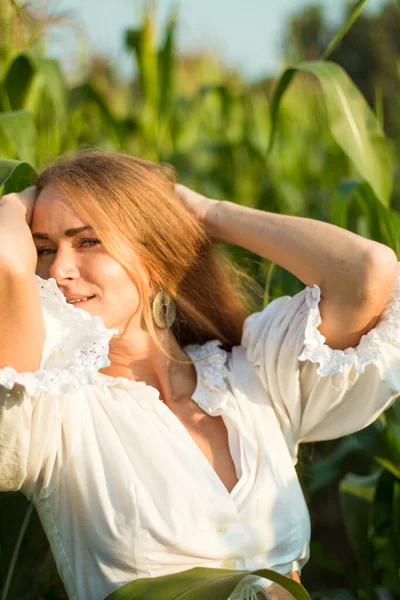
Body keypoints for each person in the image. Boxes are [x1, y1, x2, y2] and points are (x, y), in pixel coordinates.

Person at [0, 150, 399, 600]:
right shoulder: (55, 406)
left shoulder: (254, 373)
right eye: (45, 249)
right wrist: (20, 197)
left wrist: (207, 214)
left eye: (88, 241)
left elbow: (368, 270)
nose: (57, 270)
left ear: (157, 255)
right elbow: (5, 263)